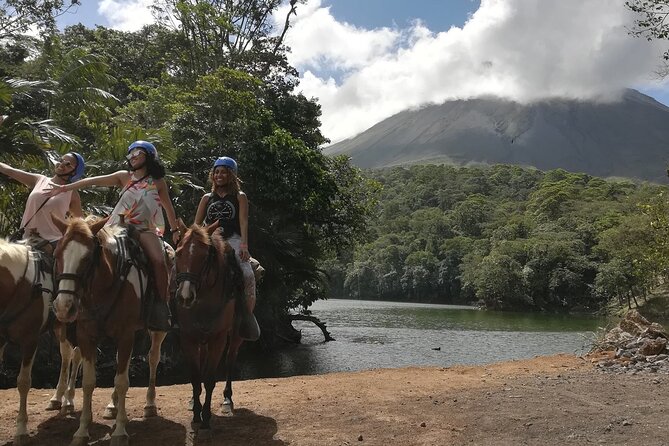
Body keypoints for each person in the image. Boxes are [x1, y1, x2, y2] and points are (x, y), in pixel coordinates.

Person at [48, 140, 179, 332]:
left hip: (144, 228)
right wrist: (66, 188)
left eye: (138, 154)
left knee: (159, 260)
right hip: (116, 227)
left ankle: (161, 305)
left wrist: (175, 230)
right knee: (87, 251)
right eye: (130, 154)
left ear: (149, 157)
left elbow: (168, 208)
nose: (133, 158)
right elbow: (94, 181)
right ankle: (78, 299)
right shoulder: (123, 177)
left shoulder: (158, 182)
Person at [194, 156, 260, 340]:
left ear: (231, 175)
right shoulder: (206, 198)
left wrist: (244, 245)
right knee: (181, 269)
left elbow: (244, 222)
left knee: (247, 274)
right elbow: (196, 226)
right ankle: (176, 310)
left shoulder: (240, 197)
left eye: (223, 172)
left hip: (233, 239)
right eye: (216, 172)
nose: (219, 175)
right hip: (210, 239)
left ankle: (247, 317)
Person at [0, 152, 85, 248]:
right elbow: (10, 171)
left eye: (68, 164)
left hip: (51, 243)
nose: (61, 164)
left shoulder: (72, 193)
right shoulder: (40, 180)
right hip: (25, 239)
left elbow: (80, 222)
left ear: (75, 172)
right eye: (61, 160)